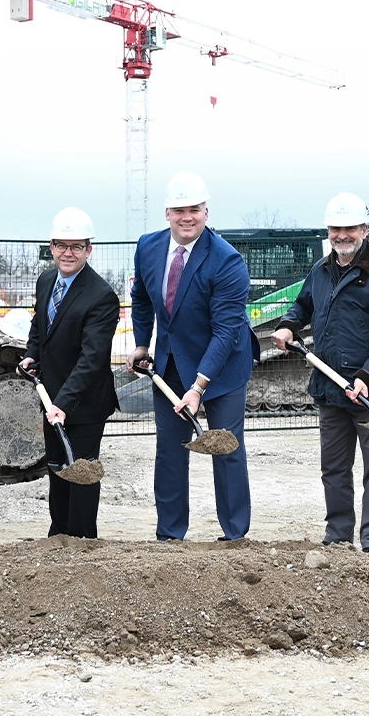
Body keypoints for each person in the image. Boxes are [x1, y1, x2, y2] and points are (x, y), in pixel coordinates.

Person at [271, 193, 369, 553]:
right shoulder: (320, 271)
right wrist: (288, 325)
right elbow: (303, 305)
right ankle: (337, 540)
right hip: (330, 390)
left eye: (350, 228)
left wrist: (367, 375)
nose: (342, 235)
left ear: (365, 230)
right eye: (336, 228)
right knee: (333, 469)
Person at [129, 171, 257, 541]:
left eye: (195, 210)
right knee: (170, 448)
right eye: (180, 210)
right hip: (170, 363)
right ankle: (170, 534)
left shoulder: (227, 261)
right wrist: (141, 343)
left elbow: (226, 331)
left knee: (224, 446)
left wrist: (200, 385)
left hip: (223, 366)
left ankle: (234, 534)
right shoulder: (148, 247)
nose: (188, 217)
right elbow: (141, 299)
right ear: (167, 213)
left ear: (206, 212)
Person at [18, 207, 121, 539]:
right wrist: (32, 355)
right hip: (52, 400)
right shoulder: (46, 280)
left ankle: (81, 540)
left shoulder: (101, 296)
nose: (68, 252)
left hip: (84, 404)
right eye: (62, 245)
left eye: (77, 246)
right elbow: (40, 328)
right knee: (57, 470)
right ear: (52, 247)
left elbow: (93, 359)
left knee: (82, 473)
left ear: (89, 250)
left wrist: (63, 402)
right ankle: (59, 535)